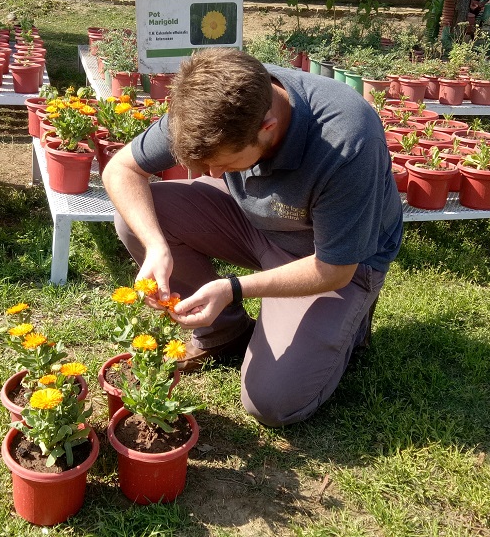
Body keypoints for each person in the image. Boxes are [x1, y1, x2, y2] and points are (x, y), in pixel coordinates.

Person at [101, 48, 403, 426]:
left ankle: (350, 322)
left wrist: (233, 288)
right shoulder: (215, 99)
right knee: (137, 221)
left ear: (267, 127)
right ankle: (223, 334)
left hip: (330, 258)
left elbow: (335, 269)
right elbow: (120, 170)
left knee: (272, 402)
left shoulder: (347, 138)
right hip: (258, 222)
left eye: (224, 164)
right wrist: (157, 247)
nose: (210, 173)